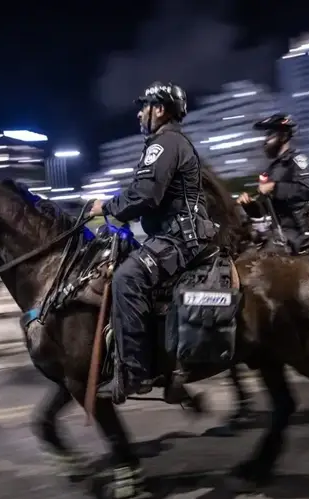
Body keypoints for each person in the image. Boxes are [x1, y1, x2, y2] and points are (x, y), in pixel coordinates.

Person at [86, 81, 215, 404]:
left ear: (159, 109)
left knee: (127, 278)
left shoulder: (165, 143)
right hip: (173, 233)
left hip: (180, 238)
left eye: (145, 107)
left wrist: (107, 207)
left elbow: (145, 194)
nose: (141, 113)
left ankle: (134, 373)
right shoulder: (168, 143)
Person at [237, 114, 309, 252]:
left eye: (270, 135)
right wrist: (249, 205)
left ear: (283, 136)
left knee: (264, 259)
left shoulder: (297, 159)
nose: (266, 141)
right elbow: (264, 210)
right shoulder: (270, 170)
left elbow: (308, 190)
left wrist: (275, 187)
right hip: (274, 231)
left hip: (293, 231)